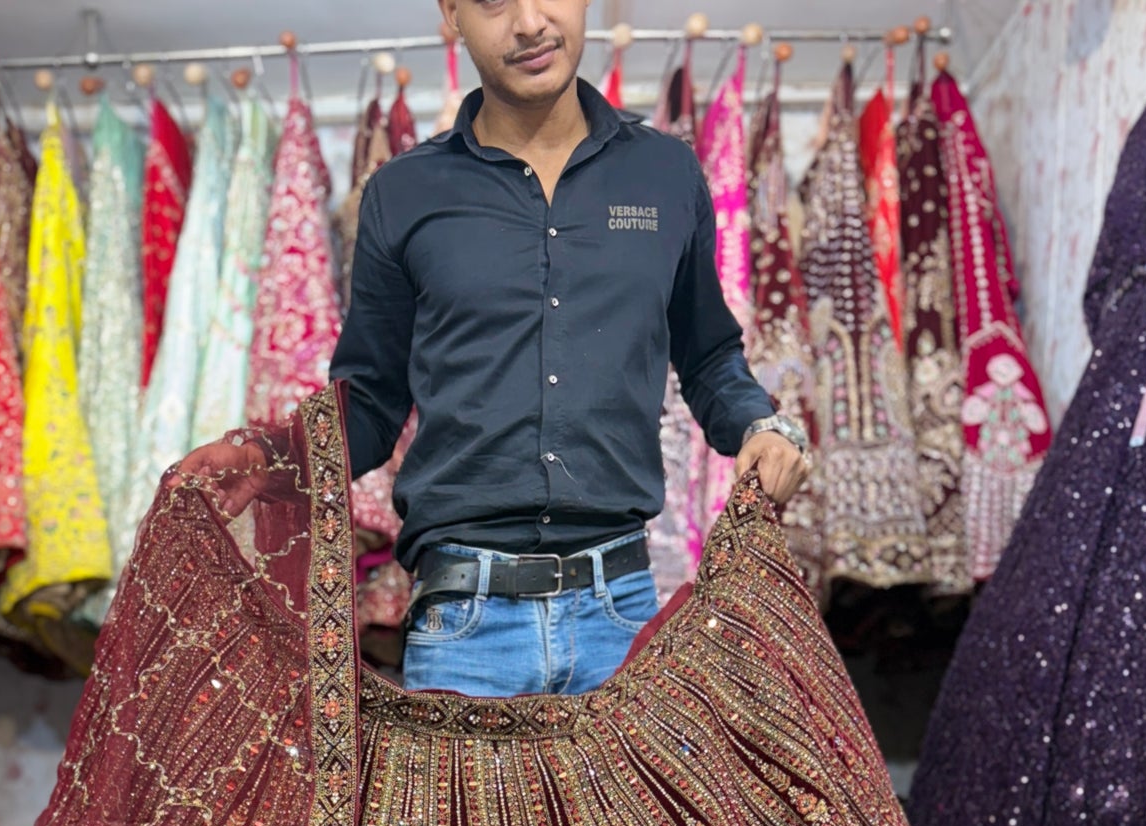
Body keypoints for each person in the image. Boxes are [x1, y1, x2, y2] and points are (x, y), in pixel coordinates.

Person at [181, 0, 810, 696]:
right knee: (455, 816)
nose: (529, 22)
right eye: (492, 3)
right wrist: (272, 457)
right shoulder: (404, 193)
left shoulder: (663, 176)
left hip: (622, 619)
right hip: (464, 630)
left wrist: (762, 425)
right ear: (451, 15)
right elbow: (369, 404)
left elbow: (707, 354)